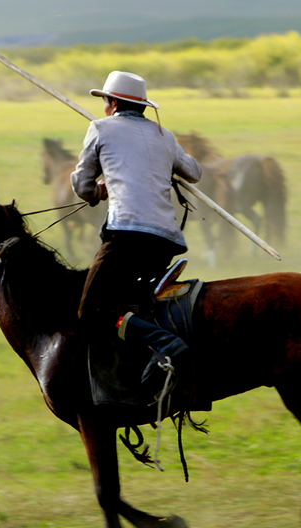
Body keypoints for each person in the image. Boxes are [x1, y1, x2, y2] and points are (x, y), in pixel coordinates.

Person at [71, 70, 202, 386]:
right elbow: (194, 172)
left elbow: (81, 183)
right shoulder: (164, 135)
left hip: (126, 236)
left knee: (92, 312)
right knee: (129, 306)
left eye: (105, 100)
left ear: (112, 102)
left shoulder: (100, 129)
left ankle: (167, 345)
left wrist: (98, 192)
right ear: (142, 105)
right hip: (165, 241)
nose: (104, 106)